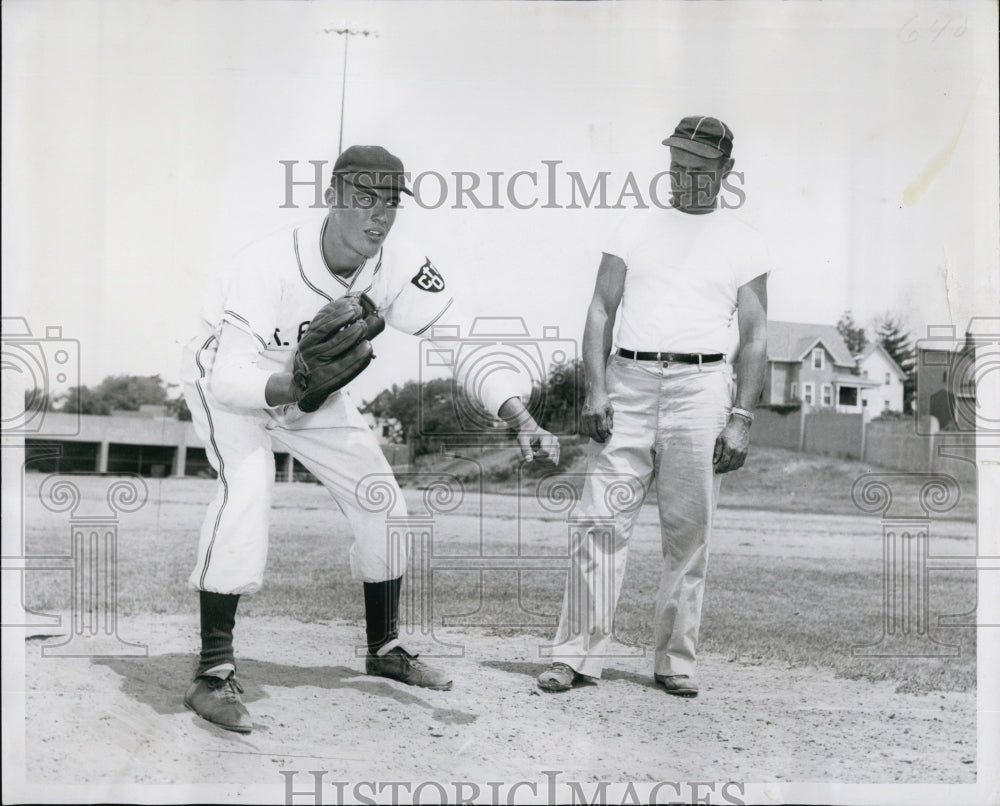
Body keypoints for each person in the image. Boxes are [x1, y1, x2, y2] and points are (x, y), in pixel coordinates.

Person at [181, 144, 560, 733]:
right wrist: (289, 384)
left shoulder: (397, 263)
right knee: (247, 489)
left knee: (380, 496)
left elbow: (461, 342)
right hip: (237, 377)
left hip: (311, 386)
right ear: (332, 197)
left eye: (389, 203)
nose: (378, 216)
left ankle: (383, 649)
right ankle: (213, 671)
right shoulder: (268, 263)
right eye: (363, 199)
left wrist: (520, 415)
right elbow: (230, 377)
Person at [537, 116, 769, 697]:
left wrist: (742, 416)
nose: (684, 179)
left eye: (698, 170)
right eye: (676, 167)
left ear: (725, 172)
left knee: (688, 533)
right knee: (600, 522)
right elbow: (599, 309)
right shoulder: (633, 222)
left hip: (703, 387)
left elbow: (757, 334)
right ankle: (576, 656)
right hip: (630, 380)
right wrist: (595, 389)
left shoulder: (744, 238)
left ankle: (674, 661)